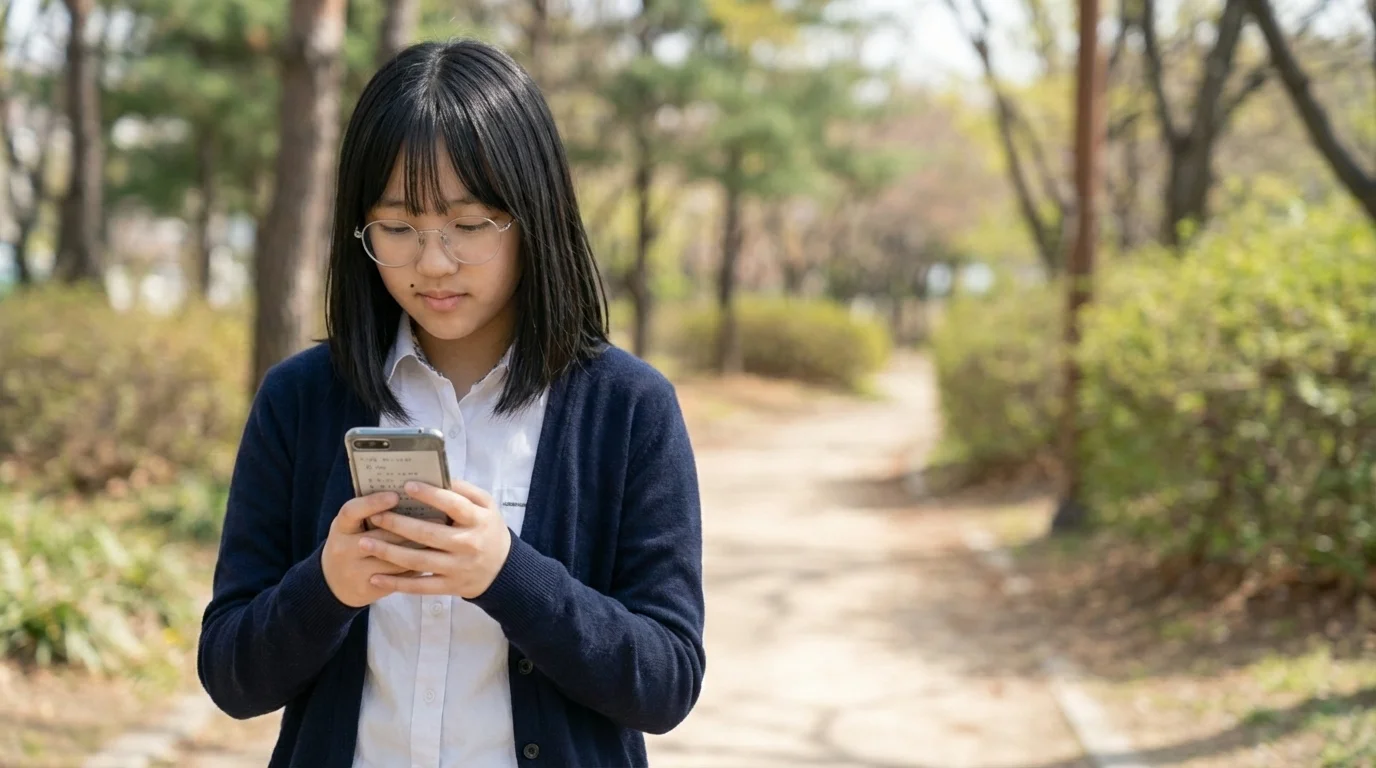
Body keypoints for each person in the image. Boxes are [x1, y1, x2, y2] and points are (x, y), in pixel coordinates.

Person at [197, 39, 705, 768]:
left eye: (469, 226)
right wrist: (327, 586)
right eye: (398, 228)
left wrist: (507, 574)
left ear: (534, 216)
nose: (433, 263)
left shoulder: (627, 409)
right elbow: (230, 675)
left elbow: (667, 682)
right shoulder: (301, 399)